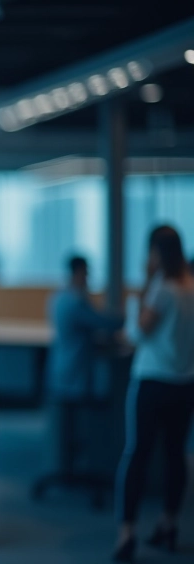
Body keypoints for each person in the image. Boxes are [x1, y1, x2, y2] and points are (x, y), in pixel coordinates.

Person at [113, 225, 194, 562]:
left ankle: (126, 532)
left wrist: (142, 289)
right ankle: (168, 524)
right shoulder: (191, 285)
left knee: (137, 454)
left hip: (152, 382)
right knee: (176, 455)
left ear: (157, 253)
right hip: (185, 384)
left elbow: (138, 333)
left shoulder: (162, 288)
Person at [46, 255, 124, 400]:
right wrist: (126, 317)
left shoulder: (58, 297)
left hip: (62, 363)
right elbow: (101, 322)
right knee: (76, 409)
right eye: (86, 273)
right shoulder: (76, 302)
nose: (87, 278)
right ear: (79, 272)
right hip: (75, 367)